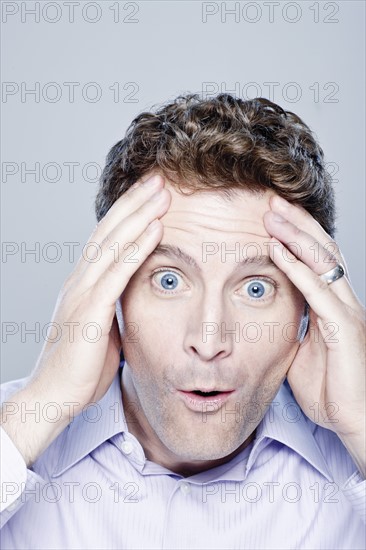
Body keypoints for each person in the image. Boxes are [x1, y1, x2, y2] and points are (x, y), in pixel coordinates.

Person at [0, 94, 364, 550]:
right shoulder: (13, 433)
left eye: (256, 288)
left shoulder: (353, 453)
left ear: (308, 311)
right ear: (110, 293)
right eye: (169, 280)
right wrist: (41, 409)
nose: (209, 340)